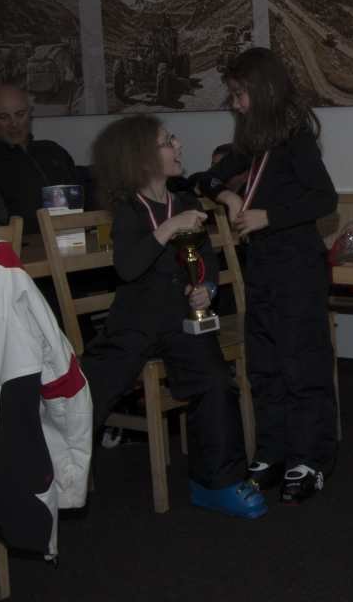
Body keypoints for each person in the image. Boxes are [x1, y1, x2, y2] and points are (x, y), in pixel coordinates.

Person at [81, 114, 263, 519]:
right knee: (87, 391)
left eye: (173, 139)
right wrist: (167, 229)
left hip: (181, 321)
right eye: (168, 141)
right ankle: (52, 479)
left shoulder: (185, 203)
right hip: (134, 325)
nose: (178, 145)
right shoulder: (128, 210)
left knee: (215, 381)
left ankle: (216, 483)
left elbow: (206, 261)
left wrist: (207, 289)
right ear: (141, 157)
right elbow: (128, 267)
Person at [194, 48, 340, 503]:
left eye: (241, 95)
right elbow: (204, 179)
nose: (236, 105)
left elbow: (325, 199)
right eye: (233, 96)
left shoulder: (296, 138)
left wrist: (267, 217)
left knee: (302, 364)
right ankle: (274, 450)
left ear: (264, 90)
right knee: (265, 365)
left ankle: (310, 457)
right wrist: (228, 197)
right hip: (261, 269)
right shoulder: (252, 144)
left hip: (297, 269)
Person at [0, 80, 82, 228]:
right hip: (13, 242)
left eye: (20, 114)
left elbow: (79, 205)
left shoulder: (54, 152)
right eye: (3, 117)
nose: (14, 124)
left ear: (30, 114)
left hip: (66, 238)